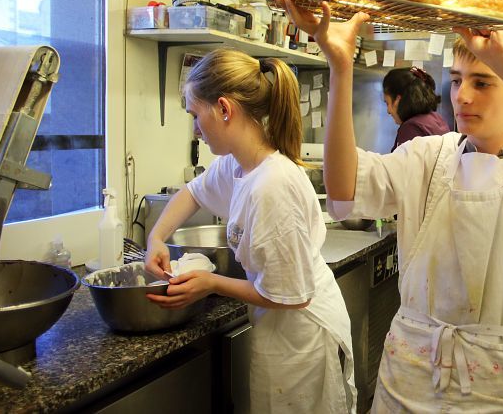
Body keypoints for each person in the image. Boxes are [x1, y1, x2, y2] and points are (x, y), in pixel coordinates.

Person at [282, 0, 503, 412]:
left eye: (483, 82)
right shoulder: (428, 155)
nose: (462, 97)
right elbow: (343, 191)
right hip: (411, 370)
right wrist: (340, 68)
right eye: (456, 80)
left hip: (495, 377)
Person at [144, 48, 355, 414]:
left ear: (224, 109)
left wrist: (210, 283)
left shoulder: (271, 186)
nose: (195, 128)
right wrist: (156, 238)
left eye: (196, 115)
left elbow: (291, 295)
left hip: (301, 332)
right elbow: (193, 193)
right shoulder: (237, 165)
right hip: (279, 324)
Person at [382, 66, 450, 151]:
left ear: (397, 100)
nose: (388, 111)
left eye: (387, 103)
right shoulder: (437, 118)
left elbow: (404, 164)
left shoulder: (411, 129)